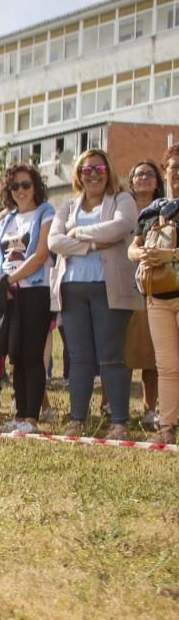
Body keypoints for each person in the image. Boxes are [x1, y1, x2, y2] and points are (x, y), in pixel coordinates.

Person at [49, 150, 140, 439]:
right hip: (73, 289)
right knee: (79, 358)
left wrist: (76, 234)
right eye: (86, 170)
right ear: (78, 175)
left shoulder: (122, 200)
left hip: (108, 288)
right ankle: (77, 419)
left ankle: (119, 422)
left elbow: (120, 227)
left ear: (108, 170)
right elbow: (54, 241)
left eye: (99, 168)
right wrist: (91, 244)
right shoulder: (66, 206)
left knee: (111, 357)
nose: (93, 174)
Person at [0, 163, 55, 435]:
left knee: (31, 354)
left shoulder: (46, 212)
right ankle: (19, 415)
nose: (21, 190)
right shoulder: (6, 219)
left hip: (35, 291)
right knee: (15, 355)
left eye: (26, 184)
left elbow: (40, 254)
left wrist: (10, 279)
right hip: (9, 294)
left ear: (35, 186)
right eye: (14, 186)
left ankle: (31, 417)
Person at [128, 143, 179, 445]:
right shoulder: (153, 210)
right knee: (166, 365)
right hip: (156, 296)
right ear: (165, 171)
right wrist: (142, 254)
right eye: (174, 168)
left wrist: (172, 255)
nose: (178, 174)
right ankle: (167, 425)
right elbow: (131, 248)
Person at [125, 160, 166, 428]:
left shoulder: (165, 209)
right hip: (121, 286)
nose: (144, 178)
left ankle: (150, 409)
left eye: (150, 174)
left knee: (151, 352)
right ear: (131, 180)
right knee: (122, 351)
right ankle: (110, 404)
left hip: (156, 286)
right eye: (138, 174)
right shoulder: (120, 206)